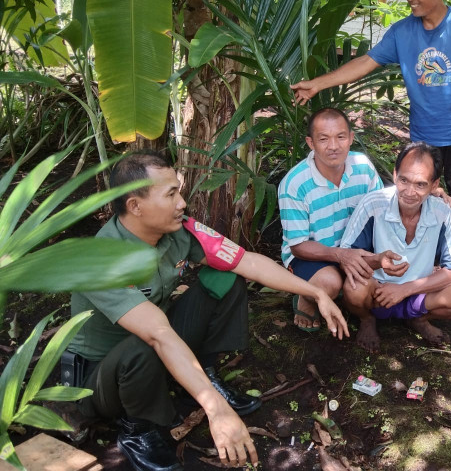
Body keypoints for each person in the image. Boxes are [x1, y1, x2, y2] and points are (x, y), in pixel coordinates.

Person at [66, 152, 349, 471]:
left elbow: (247, 261)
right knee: (145, 341)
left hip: (156, 348)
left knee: (224, 278)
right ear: (135, 206)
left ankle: (204, 375)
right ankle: (137, 429)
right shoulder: (102, 261)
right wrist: (215, 410)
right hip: (101, 380)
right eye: (170, 194)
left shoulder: (179, 228)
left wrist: (314, 291)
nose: (182, 203)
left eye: (179, 191)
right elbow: (158, 335)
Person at [291, 0, 451, 286]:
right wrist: (319, 84)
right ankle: (422, 264)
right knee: (415, 197)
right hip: (422, 135)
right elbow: (366, 62)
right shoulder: (401, 32)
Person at [339, 142, 451, 352]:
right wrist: (377, 261)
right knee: (354, 287)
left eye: (420, 184)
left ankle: (419, 319)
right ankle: (367, 320)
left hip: (418, 295)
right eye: (403, 180)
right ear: (395, 174)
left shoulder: (441, 213)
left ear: (434, 185)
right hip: (377, 293)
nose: (409, 192)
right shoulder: (373, 204)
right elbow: (348, 257)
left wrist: (405, 289)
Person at [278, 108, 383, 331]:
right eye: (323, 139)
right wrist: (340, 255)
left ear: (351, 138)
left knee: (376, 287)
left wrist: (426, 194)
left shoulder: (363, 167)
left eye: (341, 137)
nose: (333, 146)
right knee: (330, 283)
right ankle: (306, 297)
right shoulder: (294, 184)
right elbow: (297, 246)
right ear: (310, 143)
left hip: (354, 249)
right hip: (313, 254)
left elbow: (383, 209)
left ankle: (347, 293)